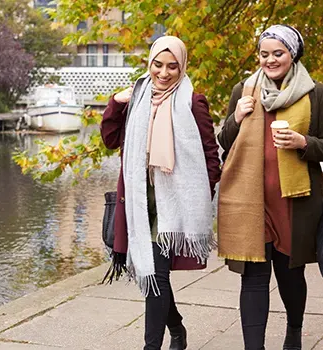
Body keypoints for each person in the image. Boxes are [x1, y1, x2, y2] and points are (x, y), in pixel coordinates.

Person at [217, 25, 323, 350]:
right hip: (251, 203)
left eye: (278, 53)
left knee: (290, 277)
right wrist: (236, 119)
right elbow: (224, 143)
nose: (270, 60)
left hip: (295, 205)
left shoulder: (316, 92)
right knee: (254, 279)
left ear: (292, 54)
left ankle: (294, 331)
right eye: (264, 54)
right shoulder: (243, 90)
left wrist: (303, 142)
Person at [100, 36, 221, 350]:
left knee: (156, 275)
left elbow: (211, 156)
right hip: (139, 201)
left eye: (172, 66)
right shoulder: (137, 98)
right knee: (151, 274)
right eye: (158, 64)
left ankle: (151, 346)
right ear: (149, 64)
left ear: (182, 68)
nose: (164, 73)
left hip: (174, 203)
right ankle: (177, 329)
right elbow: (111, 140)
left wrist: (196, 196)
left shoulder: (193, 101)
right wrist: (116, 101)